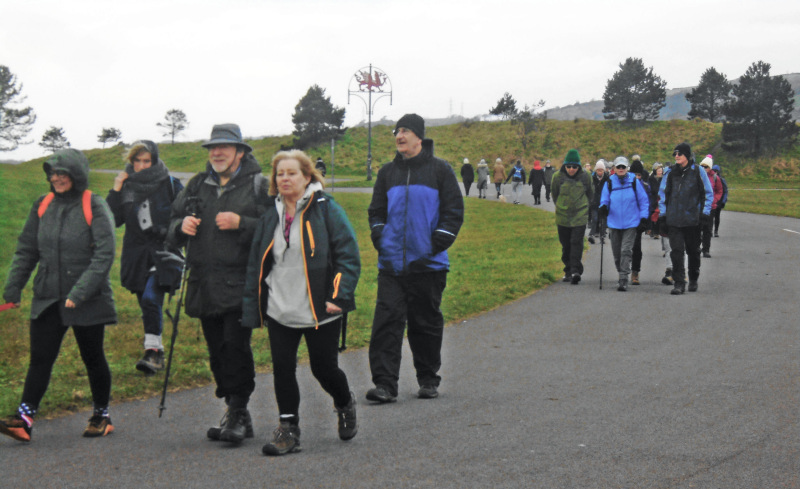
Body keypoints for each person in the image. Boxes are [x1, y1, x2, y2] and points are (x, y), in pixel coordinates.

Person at [241, 150, 360, 456]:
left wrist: (339, 296)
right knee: (282, 368)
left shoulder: (327, 209)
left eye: (291, 173)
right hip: (281, 307)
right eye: (279, 173)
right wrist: (253, 307)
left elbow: (348, 255)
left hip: (321, 308)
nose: (284, 179)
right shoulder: (270, 216)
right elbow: (257, 264)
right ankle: (288, 430)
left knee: (324, 369)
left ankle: (344, 402)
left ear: (307, 177)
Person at [1, 149, 117, 442]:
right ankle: (24, 419)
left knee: (93, 357)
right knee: (40, 357)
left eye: (62, 173)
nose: (56, 178)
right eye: (53, 173)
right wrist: (13, 288)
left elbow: (105, 254)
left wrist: (80, 291)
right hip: (48, 295)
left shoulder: (95, 205)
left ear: (76, 175)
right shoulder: (43, 204)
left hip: (87, 297)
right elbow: (27, 249)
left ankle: (101, 415)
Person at [167, 123, 268, 444]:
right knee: (216, 352)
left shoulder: (259, 186)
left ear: (240, 152)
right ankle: (236, 412)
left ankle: (237, 410)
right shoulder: (196, 185)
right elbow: (170, 226)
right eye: (212, 148)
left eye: (224, 148)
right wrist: (181, 226)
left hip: (242, 284)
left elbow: (276, 228)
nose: (217, 153)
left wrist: (243, 223)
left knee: (235, 347)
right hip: (203, 284)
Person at [366, 113, 464, 403]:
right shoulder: (386, 173)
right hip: (391, 266)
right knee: (386, 324)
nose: (400, 135)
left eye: (406, 131)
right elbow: (376, 212)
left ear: (419, 137)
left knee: (425, 324)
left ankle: (428, 379)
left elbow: (453, 212)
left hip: (429, 265)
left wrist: (434, 244)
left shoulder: (440, 171)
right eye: (397, 131)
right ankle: (385, 385)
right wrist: (381, 238)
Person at [106, 140, 184, 375]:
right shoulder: (127, 187)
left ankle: (153, 352)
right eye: (137, 160)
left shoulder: (170, 184)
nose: (141, 165)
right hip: (135, 256)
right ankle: (156, 349)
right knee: (146, 304)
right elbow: (111, 221)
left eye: (146, 160)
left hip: (163, 253)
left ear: (155, 160)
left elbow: (184, 215)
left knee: (151, 298)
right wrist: (116, 188)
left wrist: (174, 232)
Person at [658, 143, 714, 294]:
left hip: (692, 220)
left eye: (680, 153)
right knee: (676, 252)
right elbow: (663, 195)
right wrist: (663, 216)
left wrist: (705, 214)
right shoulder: (670, 173)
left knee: (693, 251)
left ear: (687, 156)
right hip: (674, 220)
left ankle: (693, 278)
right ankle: (679, 283)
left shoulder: (698, 172)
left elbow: (708, 194)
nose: (676, 156)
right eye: (675, 153)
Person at [599, 157, 650, 291]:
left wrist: (644, 217)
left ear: (627, 168)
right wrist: (603, 207)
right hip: (614, 223)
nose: (621, 169)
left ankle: (623, 278)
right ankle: (621, 271)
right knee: (617, 253)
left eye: (623, 167)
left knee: (626, 250)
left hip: (631, 222)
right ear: (614, 169)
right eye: (618, 167)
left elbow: (643, 200)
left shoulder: (634, 181)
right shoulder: (609, 182)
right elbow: (604, 199)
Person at [551, 149, 593, 284]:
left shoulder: (586, 177)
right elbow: (555, 194)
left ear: (579, 166)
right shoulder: (557, 177)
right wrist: (561, 206)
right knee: (565, 244)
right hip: (563, 217)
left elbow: (590, 194)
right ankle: (568, 270)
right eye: (568, 166)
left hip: (579, 216)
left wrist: (585, 208)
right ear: (564, 166)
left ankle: (575, 270)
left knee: (576, 242)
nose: (571, 169)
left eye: (574, 167)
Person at [628, 158, 655, 286]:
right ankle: (623, 270)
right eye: (634, 174)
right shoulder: (625, 185)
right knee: (624, 248)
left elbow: (648, 205)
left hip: (639, 222)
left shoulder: (645, 187)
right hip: (625, 221)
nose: (636, 177)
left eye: (638, 175)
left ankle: (635, 272)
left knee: (636, 248)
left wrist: (648, 224)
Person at [699, 155, 723, 258]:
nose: (704, 169)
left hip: (710, 207)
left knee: (707, 229)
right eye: (702, 166)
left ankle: (706, 249)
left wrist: (715, 199)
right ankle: (696, 247)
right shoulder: (697, 175)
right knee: (696, 228)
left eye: (706, 166)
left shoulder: (715, 178)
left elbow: (719, 191)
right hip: (698, 206)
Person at [587, 159, 608, 243]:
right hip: (594, 202)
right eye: (598, 170)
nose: (600, 172)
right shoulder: (592, 178)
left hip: (603, 203)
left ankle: (602, 235)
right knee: (594, 218)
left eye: (601, 170)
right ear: (596, 170)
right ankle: (591, 234)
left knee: (603, 220)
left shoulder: (607, 179)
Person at [712, 164, 728, 237]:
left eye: (716, 171)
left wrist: (723, 201)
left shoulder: (721, 180)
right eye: (713, 171)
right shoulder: (710, 179)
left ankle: (716, 231)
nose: (715, 172)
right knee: (710, 216)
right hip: (712, 201)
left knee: (717, 216)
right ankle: (710, 230)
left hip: (719, 201)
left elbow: (725, 191)